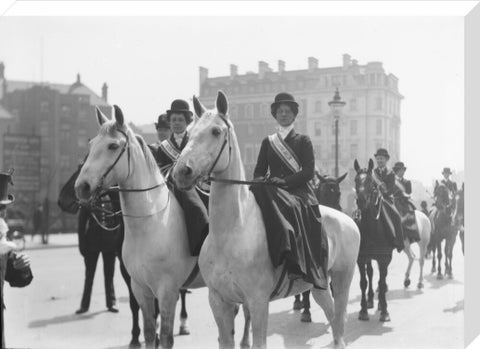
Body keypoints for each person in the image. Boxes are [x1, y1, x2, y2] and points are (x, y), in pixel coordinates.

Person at [250, 92, 328, 289]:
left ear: (294, 115)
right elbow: (259, 170)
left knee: (290, 206)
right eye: (280, 111)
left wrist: (284, 182)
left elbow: (308, 172)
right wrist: (261, 181)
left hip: (298, 191)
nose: (283, 114)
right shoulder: (268, 142)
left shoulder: (303, 141)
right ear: (275, 115)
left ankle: (294, 259)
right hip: (272, 189)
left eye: (287, 111)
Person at [150, 99, 209, 256]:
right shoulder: (163, 147)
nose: (176, 123)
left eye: (180, 120)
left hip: (197, 185)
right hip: (172, 187)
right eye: (173, 120)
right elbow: (160, 169)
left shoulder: (194, 141)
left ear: (187, 122)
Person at [0, 171, 33, 348]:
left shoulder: (1, 241)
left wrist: (22, 268)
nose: (1, 214)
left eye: (3, 208)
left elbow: (15, 277)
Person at [76, 191, 119, 314]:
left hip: (109, 242)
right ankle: (84, 305)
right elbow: (81, 225)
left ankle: (111, 303)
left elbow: (116, 222)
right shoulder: (87, 199)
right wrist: (82, 246)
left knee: (109, 275)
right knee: (89, 276)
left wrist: (116, 242)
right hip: (92, 243)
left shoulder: (110, 198)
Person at [372, 148, 405, 251]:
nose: (379, 161)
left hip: (387, 199)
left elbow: (391, 187)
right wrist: (374, 191)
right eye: (378, 159)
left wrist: (383, 193)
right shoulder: (373, 173)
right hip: (374, 198)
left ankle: (399, 242)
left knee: (396, 216)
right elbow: (371, 185)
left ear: (386, 160)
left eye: (381, 159)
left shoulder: (390, 173)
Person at [392, 162, 420, 243]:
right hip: (394, 201)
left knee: (410, 213)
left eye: (403, 170)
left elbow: (409, 192)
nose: (403, 172)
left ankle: (412, 233)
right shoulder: (392, 181)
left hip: (403, 202)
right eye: (401, 170)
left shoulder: (407, 182)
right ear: (397, 171)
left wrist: (406, 195)